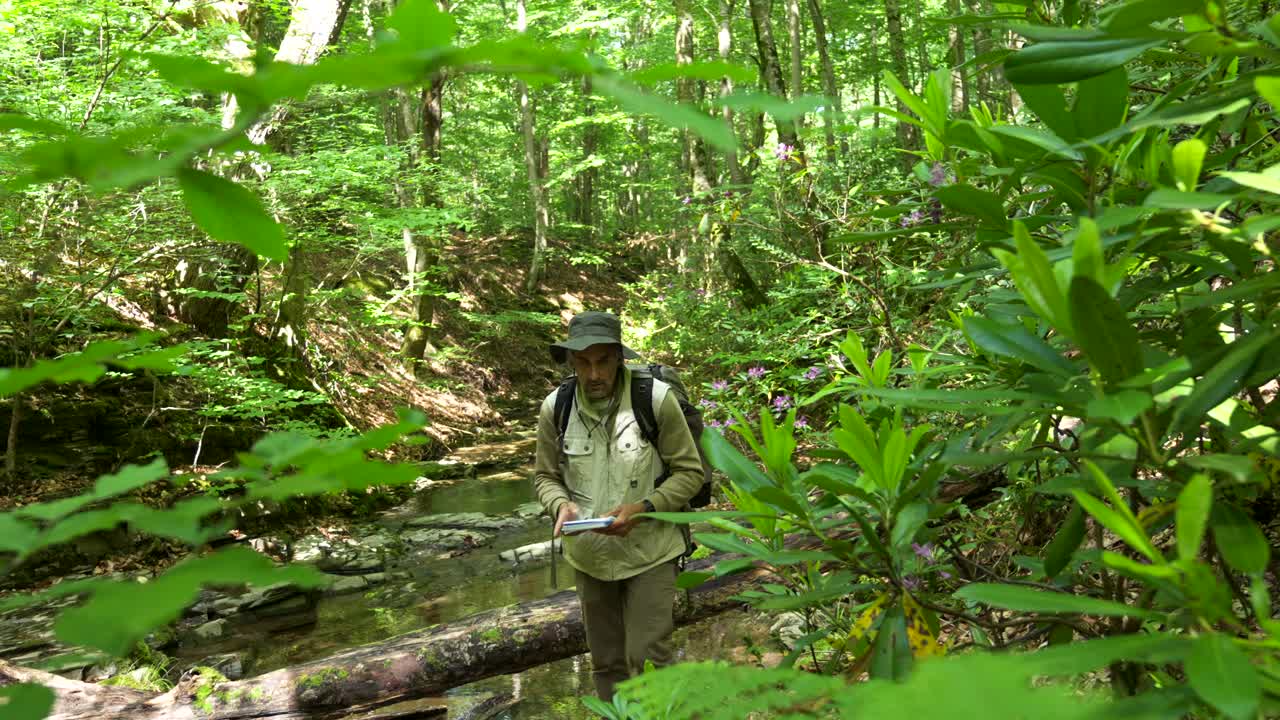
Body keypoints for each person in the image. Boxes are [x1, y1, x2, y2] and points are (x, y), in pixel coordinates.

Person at [533, 311, 704, 701]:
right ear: (571, 361)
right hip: (590, 558)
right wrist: (560, 506)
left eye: (603, 361)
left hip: (651, 551)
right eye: (583, 362)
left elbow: (690, 473)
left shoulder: (654, 400)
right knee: (607, 664)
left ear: (619, 358)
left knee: (648, 660)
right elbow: (545, 477)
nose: (594, 374)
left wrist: (644, 507)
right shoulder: (554, 408)